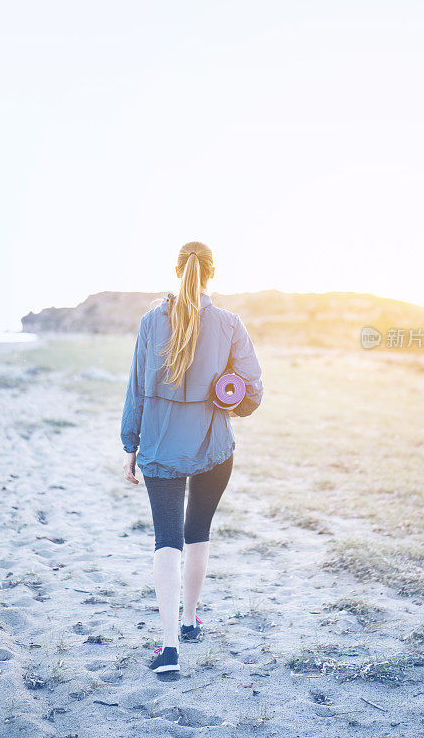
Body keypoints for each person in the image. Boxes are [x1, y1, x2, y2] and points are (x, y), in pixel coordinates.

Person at [120, 240, 263, 673]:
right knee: (197, 533)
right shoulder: (229, 323)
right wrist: (230, 398)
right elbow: (252, 391)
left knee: (167, 540)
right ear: (211, 274)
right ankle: (189, 621)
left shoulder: (150, 322)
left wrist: (131, 444)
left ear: (177, 270)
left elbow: (136, 389)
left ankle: (169, 648)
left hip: (160, 449)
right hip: (214, 450)